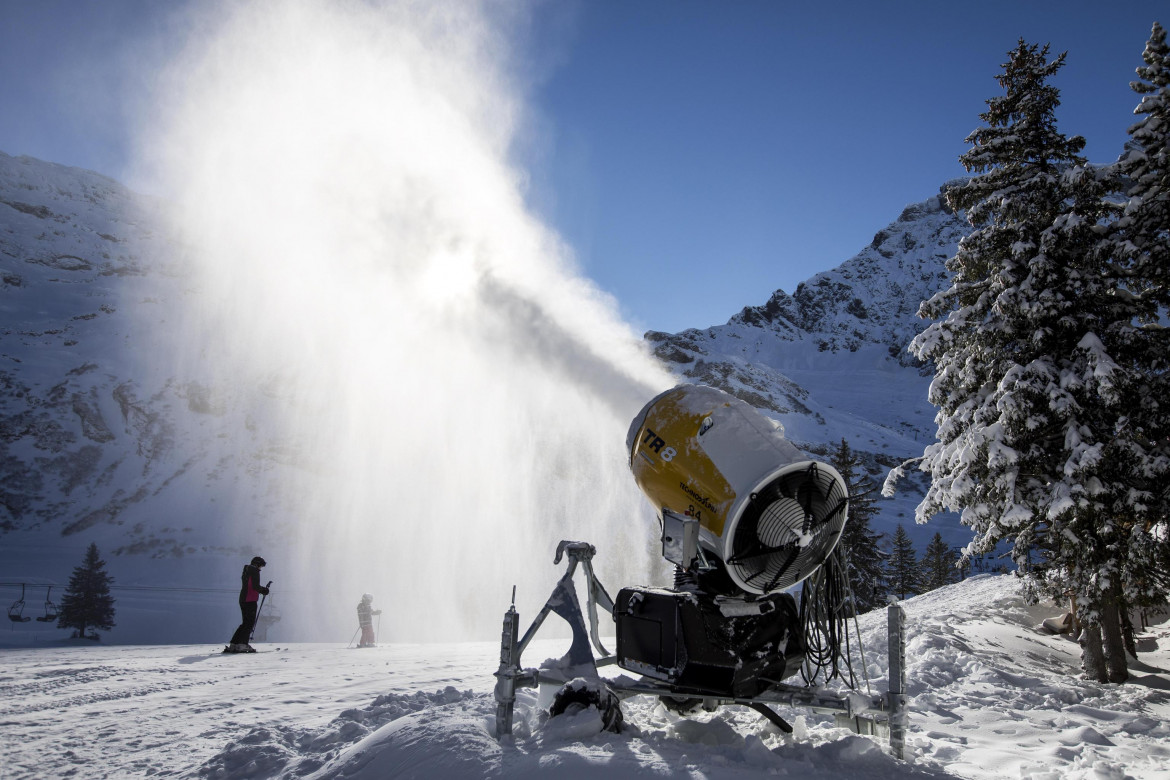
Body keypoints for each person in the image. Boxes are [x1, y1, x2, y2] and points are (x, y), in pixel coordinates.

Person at [225, 556, 270, 653]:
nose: (260, 568)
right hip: (250, 600)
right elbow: (255, 586)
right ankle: (242, 644)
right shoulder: (254, 571)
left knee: (245, 623)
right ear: (257, 564)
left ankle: (234, 643)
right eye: (260, 566)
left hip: (243, 599)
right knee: (249, 623)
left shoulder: (246, 570)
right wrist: (264, 590)